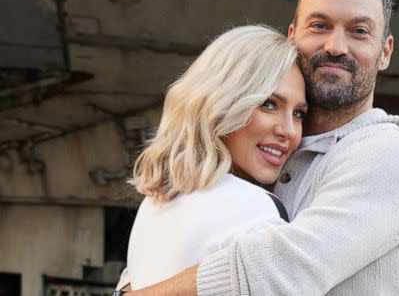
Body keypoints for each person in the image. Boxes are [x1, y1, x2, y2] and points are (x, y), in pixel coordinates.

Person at [121, 0, 399, 295]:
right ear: (293, 36)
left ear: (385, 51)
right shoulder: (267, 159)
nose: (335, 46)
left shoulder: (389, 152)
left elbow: (285, 267)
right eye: (319, 26)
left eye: (359, 31)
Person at [117, 25, 306, 291]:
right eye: (269, 104)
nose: (288, 130)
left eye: (298, 114)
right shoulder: (256, 211)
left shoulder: (155, 202)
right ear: (224, 104)